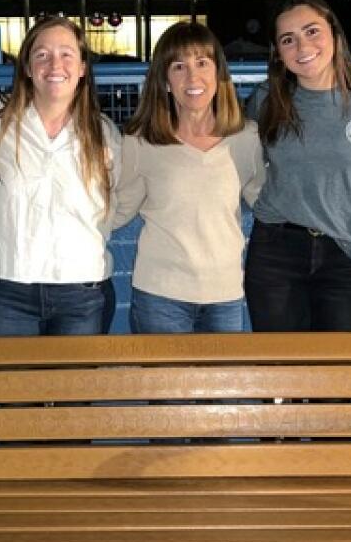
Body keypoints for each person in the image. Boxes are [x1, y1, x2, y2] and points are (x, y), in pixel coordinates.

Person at [243, 0, 351, 333]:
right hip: (276, 252)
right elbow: (235, 164)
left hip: (347, 256)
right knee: (279, 371)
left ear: (335, 34)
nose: (303, 47)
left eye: (312, 31)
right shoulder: (265, 101)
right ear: (278, 53)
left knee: (337, 375)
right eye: (288, 39)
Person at [0, 17, 120, 336]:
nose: (54, 64)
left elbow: (120, 198)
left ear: (82, 68)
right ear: (27, 67)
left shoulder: (104, 133)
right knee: (12, 388)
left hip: (83, 293)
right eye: (42, 55)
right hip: (7, 290)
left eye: (66, 54)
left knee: (75, 388)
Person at [113, 21, 265, 333]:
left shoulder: (246, 137)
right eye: (179, 66)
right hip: (160, 296)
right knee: (163, 385)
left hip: (225, 296)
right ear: (165, 80)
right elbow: (118, 210)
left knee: (223, 384)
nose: (192, 76)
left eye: (202, 63)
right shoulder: (141, 141)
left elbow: (267, 203)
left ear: (218, 74)